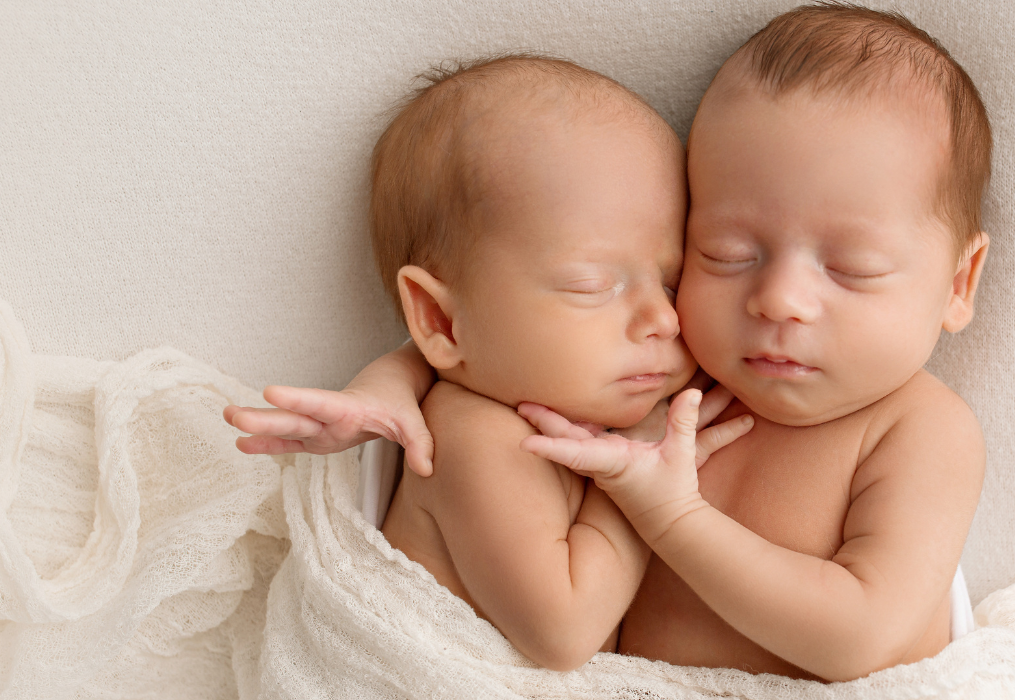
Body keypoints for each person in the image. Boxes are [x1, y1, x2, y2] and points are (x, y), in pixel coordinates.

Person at [229, 2, 992, 682]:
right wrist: (384, 387)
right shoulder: (672, 373)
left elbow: (859, 637)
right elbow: (482, 361)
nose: (779, 300)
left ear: (959, 284)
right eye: (725, 255)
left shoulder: (918, 429)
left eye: (853, 268)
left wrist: (671, 513)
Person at [224, 54, 750, 672]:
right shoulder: (480, 438)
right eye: (591, 286)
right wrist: (639, 476)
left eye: (672, 281)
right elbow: (564, 633)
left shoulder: (562, 386)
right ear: (443, 323)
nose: (662, 320)